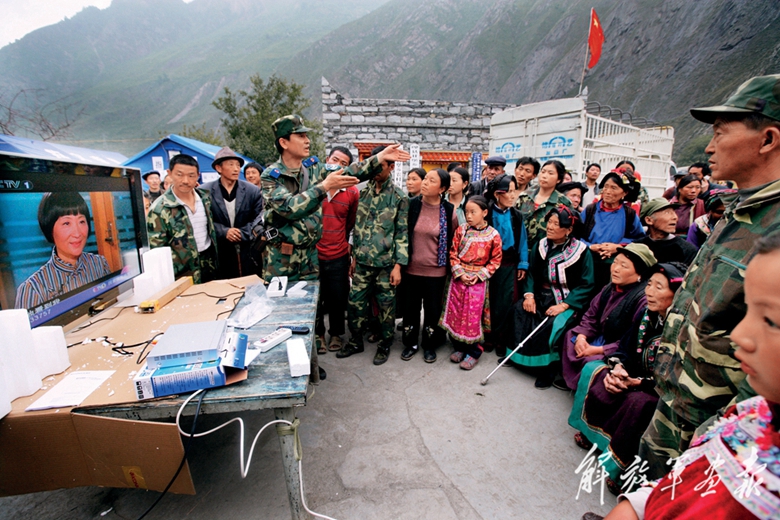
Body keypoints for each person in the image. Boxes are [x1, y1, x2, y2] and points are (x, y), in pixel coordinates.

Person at [639, 74, 780, 481]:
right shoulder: (739, 210)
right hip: (677, 404)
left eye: (720, 132)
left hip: (721, 433)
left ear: (768, 139)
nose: (709, 146)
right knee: (649, 491)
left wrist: (725, 437)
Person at [595, 236, 780, 520]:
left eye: (770, 321)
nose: (740, 335)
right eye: (748, 312)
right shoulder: (748, 414)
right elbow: (683, 482)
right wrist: (636, 506)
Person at [568, 262, 683, 495]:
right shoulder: (646, 314)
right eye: (649, 285)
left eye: (659, 287)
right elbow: (626, 347)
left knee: (638, 402)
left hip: (658, 388)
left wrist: (637, 382)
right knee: (595, 371)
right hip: (633, 373)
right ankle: (593, 437)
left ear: (677, 294)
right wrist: (619, 368)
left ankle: (620, 467)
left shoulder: (681, 330)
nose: (649, 292)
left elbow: (675, 377)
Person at [260, 114, 409, 282]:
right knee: (282, 299)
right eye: (301, 136)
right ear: (284, 142)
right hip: (282, 257)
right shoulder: (271, 176)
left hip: (310, 257)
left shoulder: (314, 169)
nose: (307, 141)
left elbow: (349, 171)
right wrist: (324, 186)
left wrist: (379, 158)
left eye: (306, 136)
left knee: (312, 297)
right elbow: (290, 208)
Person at [337, 145, 409, 366]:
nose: (376, 170)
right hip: (362, 263)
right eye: (374, 164)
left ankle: (385, 344)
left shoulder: (399, 197)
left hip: (386, 265)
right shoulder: (363, 193)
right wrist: (354, 258)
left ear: (391, 167)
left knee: (386, 308)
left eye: (382, 165)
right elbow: (358, 228)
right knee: (355, 303)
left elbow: (402, 233)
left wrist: (398, 266)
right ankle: (355, 341)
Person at [512, 205, 595, 388]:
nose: (549, 226)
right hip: (540, 294)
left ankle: (547, 369)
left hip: (565, 299)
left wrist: (564, 305)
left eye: (556, 224)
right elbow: (531, 273)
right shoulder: (541, 245)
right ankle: (518, 357)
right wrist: (529, 296)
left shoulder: (581, 251)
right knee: (520, 311)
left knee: (553, 324)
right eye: (549, 222)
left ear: (569, 229)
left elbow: (586, 284)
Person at [561, 243, 656, 390]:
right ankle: (576, 381)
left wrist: (599, 350)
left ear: (640, 274)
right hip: (601, 336)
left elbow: (631, 341)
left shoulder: (642, 300)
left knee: (594, 362)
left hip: (617, 347)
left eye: (624, 266)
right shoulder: (609, 288)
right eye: (615, 262)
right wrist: (582, 337)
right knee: (572, 336)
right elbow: (591, 315)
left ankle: (585, 386)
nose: (615, 269)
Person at [15, 192, 111, 309]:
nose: (77, 233)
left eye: (81, 221)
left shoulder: (99, 264)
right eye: (66, 223)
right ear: (50, 228)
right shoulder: (33, 289)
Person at [440, 196, 502, 370]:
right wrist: (459, 273)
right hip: (458, 280)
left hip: (477, 282)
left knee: (472, 317)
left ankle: (474, 351)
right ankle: (459, 347)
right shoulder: (461, 230)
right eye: (467, 212)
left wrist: (480, 275)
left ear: (484, 212)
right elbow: (453, 253)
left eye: (473, 212)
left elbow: (495, 260)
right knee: (456, 313)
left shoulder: (493, 235)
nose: (468, 216)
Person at [401, 169, 456, 363]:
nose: (425, 182)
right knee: (410, 310)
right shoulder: (411, 205)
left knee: (433, 312)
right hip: (411, 269)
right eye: (425, 178)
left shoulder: (448, 211)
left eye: (431, 181)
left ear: (442, 188)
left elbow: (453, 242)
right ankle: (410, 343)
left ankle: (430, 345)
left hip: (436, 272)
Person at [147, 154, 219, 284]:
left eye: (191, 176)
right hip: (181, 273)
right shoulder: (160, 209)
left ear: (198, 176)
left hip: (209, 266)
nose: (185, 181)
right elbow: (157, 250)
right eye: (179, 175)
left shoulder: (205, 198)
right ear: (169, 174)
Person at [315, 147, 360, 355]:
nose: (338, 165)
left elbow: (350, 223)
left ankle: (336, 334)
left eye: (343, 163)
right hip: (313, 254)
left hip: (339, 253)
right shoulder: (315, 187)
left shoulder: (352, 191)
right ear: (327, 160)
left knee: (337, 297)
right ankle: (318, 335)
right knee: (316, 298)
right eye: (335, 160)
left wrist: (346, 247)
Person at [485, 174, 529, 356]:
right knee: (489, 301)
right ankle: (488, 336)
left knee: (506, 301)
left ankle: (502, 338)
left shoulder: (516, 216)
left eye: (514, 191)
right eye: (508, 191)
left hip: (509, 264)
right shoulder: (487, 212)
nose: (513, 195)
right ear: (497, 194)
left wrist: (523, 264)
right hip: (488, 264)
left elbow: (523, 241)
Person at [580, 169, 646, 288]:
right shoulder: (590, 210)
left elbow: (639, 239)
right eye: (606, 187)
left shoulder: (629, 214)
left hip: (614, 265)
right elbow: (574, 235)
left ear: (624, 193)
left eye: (614, 188)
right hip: (588, 262)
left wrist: (618, 247)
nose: (607, 191)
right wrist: (590, 246)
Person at [205, 147, 264, 279]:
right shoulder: (205, 191)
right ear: (218, 168)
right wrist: (224, 231)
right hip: (220, 251)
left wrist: (242, 232)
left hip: (248, 249)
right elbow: (204, 221)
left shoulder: (252, 191)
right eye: (231, 165)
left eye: (238, 165)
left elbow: (259, 217)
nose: (236, 169)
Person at [515, 159, 572, 249]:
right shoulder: (524, 196)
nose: (544, 176)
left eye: (550, 173)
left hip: (546, 251)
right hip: (521, 250)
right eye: (543, 172)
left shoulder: (563, 203)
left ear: (558, 179)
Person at [636, 198, 698, 265]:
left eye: (674, 212)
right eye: (667, 213)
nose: (675, 217)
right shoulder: (637, 247)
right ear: (649, 220)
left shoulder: (687, 249)